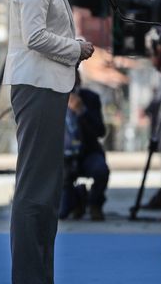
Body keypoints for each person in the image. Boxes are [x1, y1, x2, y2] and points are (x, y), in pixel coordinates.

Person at [4, 0, 95, 284]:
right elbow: (35, 36)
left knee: (45, 189)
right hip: (37, 86)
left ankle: (39, 275)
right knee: (35, 191)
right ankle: (30, 277)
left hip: (45, 86)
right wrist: (76, 49)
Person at [59, 72, 110, 222]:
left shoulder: (91, 98)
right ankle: (77, 199)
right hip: (63, 156)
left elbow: (100, 131)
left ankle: (95, 203)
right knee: (63, 213)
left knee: (100, 169)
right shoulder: (53, 99)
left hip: (88, 152)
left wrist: (82, 111)